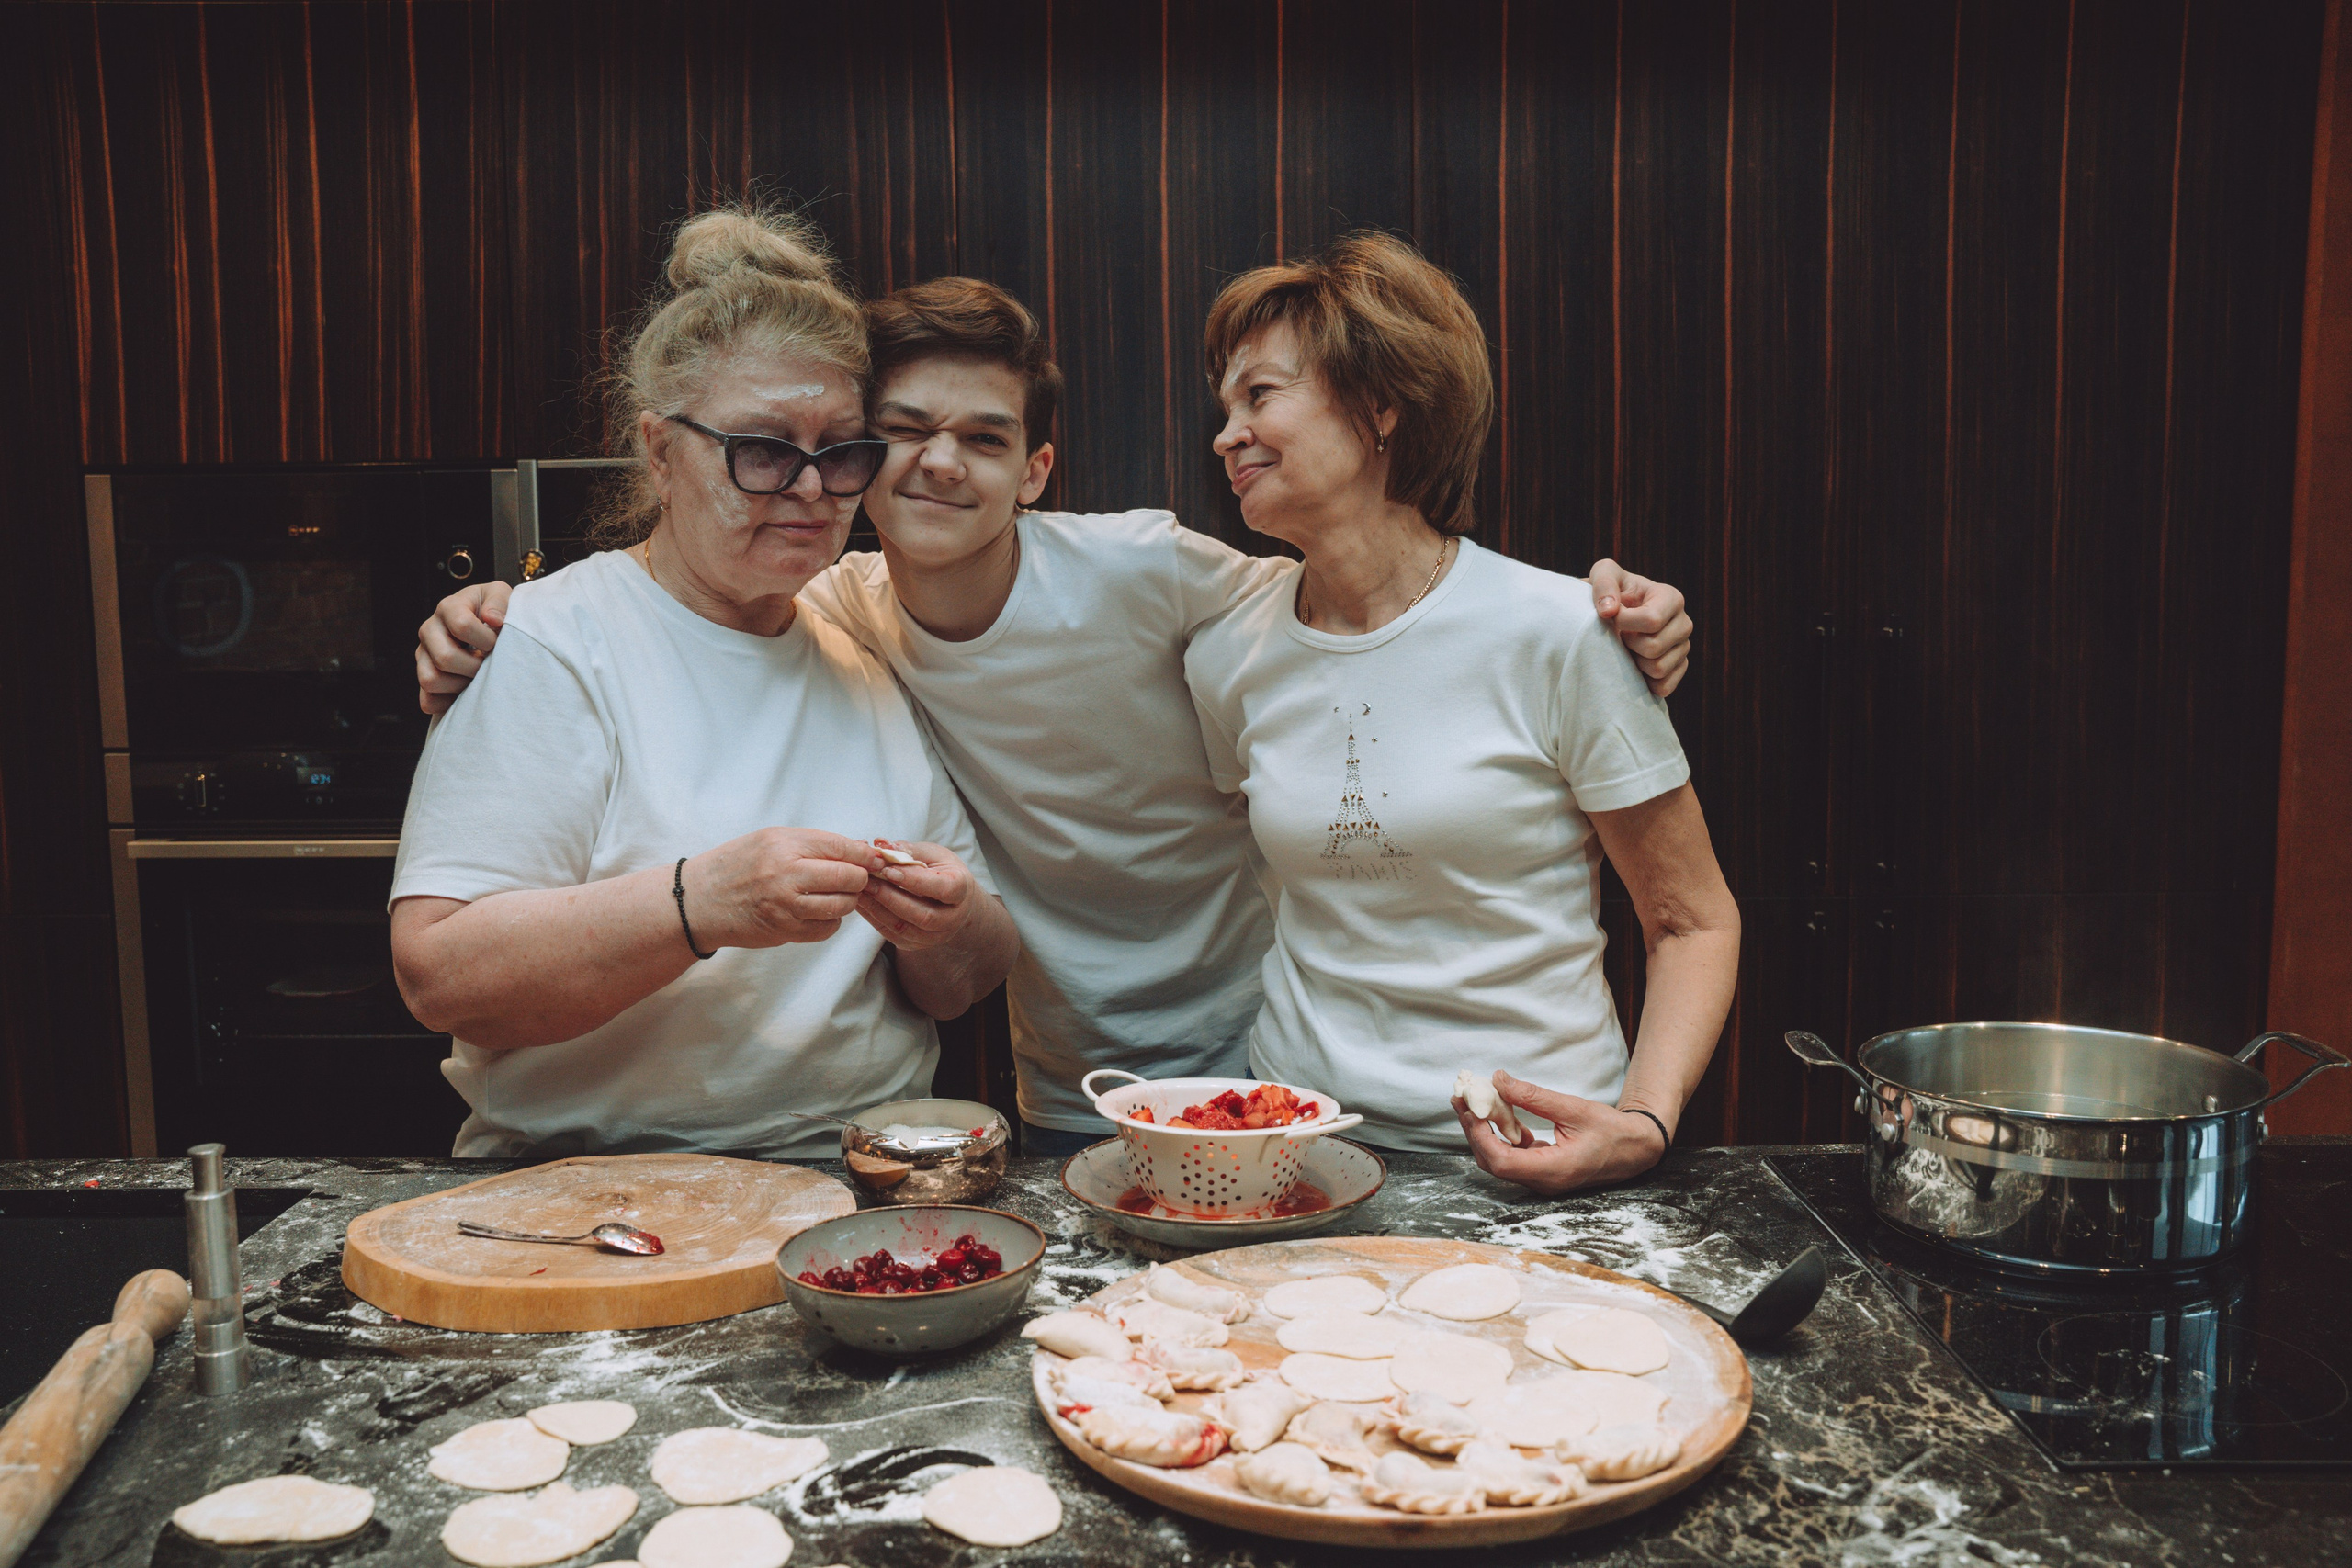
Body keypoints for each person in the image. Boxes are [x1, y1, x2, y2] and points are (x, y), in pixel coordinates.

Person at [416, 255, 1698, 1162]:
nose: (926, 463)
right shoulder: (836, 608)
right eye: (895, 433)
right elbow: (658, 619)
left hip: (1266, 1063)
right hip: (1071, 1086)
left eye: (981, 437)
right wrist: (490, 616)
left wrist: (1614, 613)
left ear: (1036, 471)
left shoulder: (1160, 575)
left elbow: (1382, 604)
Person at [390, 209, 1018, 1159]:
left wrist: (951, 922)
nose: (810, 491)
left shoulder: (864, 644)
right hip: (595, 1191)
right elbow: (439, 974)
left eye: (840, 452)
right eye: (762, 450)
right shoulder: (552, 644)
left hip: (863, 1179)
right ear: (659, 451)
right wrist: (697, 903)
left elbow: (958, 984)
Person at [1185, 232, 1741, 1196]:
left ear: (1379, 407)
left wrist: (1641, 1122)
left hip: (1536, 1152)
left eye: (1260, 395)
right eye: (1223, 406)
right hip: (1297, 1147)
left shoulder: (1562, 631)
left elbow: (1691, 921)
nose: (1225, 433)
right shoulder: (1227, 655)